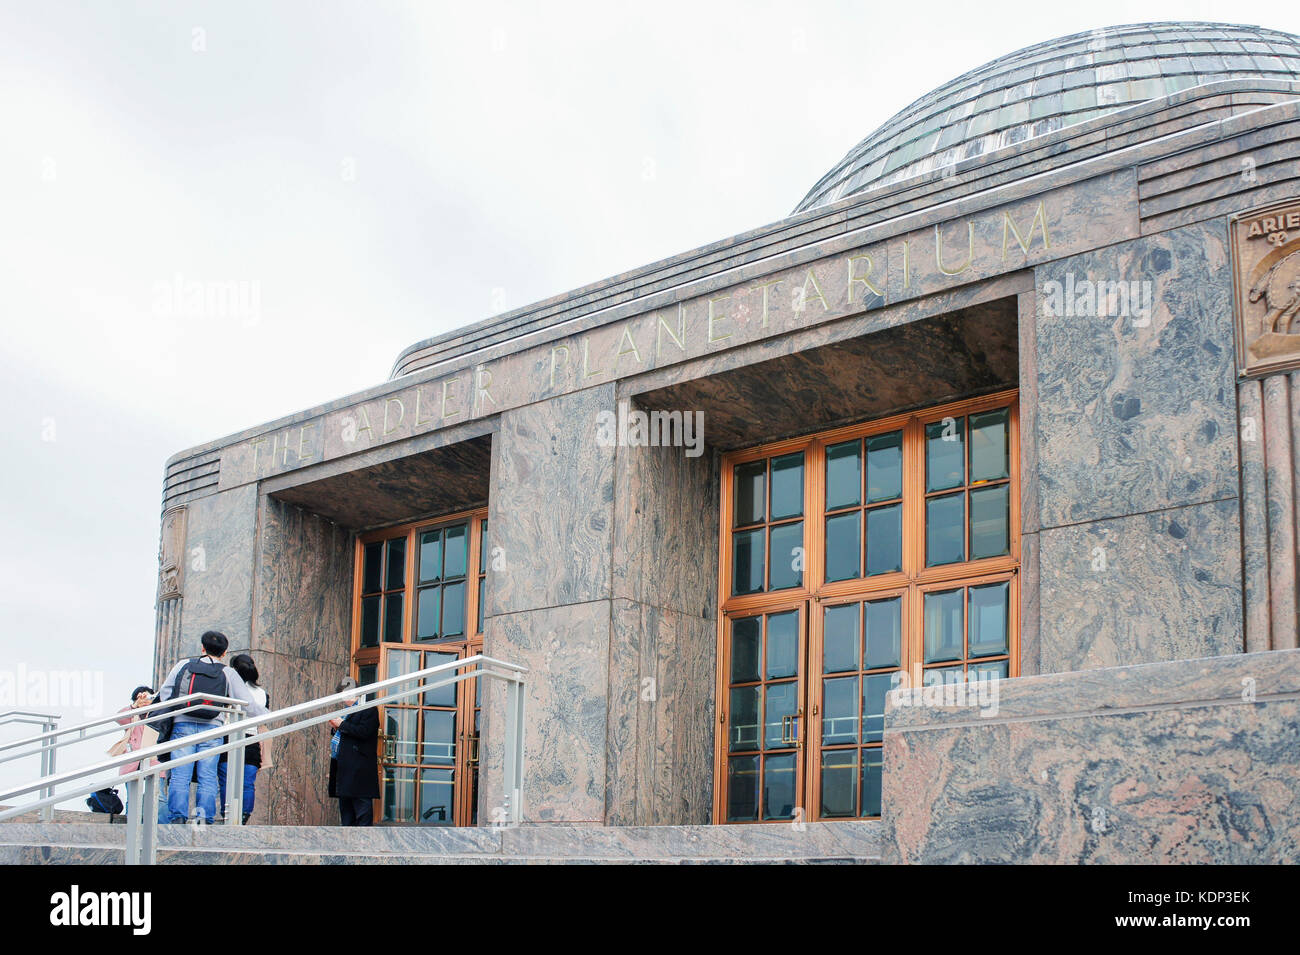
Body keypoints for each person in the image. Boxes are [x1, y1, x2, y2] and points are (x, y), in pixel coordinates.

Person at [156, 631, 269, 824]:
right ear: (224, 653)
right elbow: (246, 704)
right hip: (212, 729)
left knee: (180, 774)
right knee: (207, 775)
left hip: (182, 725)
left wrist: (179, 711)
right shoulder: (228, 672)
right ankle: (204, 817)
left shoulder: (183, 665)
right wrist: (267, 714)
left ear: (202, 648)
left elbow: (166, 693)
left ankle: (178, 817)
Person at [217, 654, 269, 824]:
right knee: (247, 782)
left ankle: (227, 814)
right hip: (251, 740)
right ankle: (244, 816)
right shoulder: (262, 693)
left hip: (228, 737)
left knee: (226, 779)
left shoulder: (228, 687)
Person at [327, 676, 379, 826]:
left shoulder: (369, 709)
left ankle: (363, 844)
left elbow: (364, 732)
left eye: (344, 694)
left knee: (362, 811)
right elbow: (348, 733)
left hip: (359, 769)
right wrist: (337, 726)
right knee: (346, 811)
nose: (343, 698)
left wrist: (342, 724)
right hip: (344, 767)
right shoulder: (346, 711)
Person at [112, 685, 158, 817]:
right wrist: (134, 707)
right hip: (133, 760)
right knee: (133, 798)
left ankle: (159, 826)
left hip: (153, 759)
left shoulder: (158, 713)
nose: (144, 700)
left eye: (147, 696)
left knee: (157, 797)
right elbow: (119, 718)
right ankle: (131, 826)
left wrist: (153, 703)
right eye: (140, 697)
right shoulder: (131, 715)